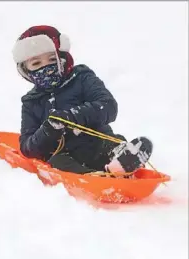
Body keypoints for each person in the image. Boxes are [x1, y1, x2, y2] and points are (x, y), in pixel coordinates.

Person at [12, 25, 152, 175]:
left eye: (52, 59)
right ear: (26, 70)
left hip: (98, 144)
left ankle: (121, 163)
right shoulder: (31, 102)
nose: (46, 67)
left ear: (63, 58)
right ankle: (95, 177)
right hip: (67, 156)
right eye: (36, 63)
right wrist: (47, 130)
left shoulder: (82, 78)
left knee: (112, 143)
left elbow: (108, 106)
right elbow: (27, 148)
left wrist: (71, 116)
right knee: (57, 163)